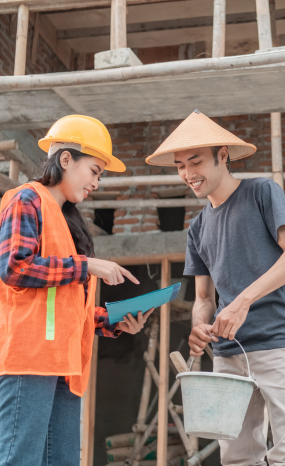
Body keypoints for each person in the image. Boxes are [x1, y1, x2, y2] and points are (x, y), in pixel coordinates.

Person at [146, 110, 285, 466]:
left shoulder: (261, 192)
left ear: (222, 156)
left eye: (195, 161)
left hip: (278, 339)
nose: (188, 173)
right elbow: (204, 298)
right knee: (237, 458)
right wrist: (199, 325)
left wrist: (242, 301)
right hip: (228, 354)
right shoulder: (197, 228)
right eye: (180, 165)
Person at [0, 115, 154, 466]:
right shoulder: (26, 200)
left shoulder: (68, 223)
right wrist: (87, 265)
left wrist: (112, 320)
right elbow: (14, 267)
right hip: (30, 359)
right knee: (20, 459)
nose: (97, 183)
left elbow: (66, 304)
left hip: (64, 365)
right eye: (95, 170)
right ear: (66, 159)